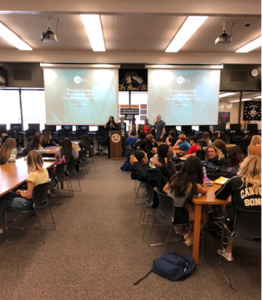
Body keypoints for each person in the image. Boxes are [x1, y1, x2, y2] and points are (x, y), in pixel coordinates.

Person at [215, 155, 262, 261]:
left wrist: (232, 195)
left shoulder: (235, 181)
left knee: (230, 209)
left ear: (244, 166)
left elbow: (218, 195)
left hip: (238, 228)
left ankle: (228, 251)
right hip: (260, 228)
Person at [163, 156, 208, 246]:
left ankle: (189, 234)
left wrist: (174, 197)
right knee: (204, 216)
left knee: (195, 208)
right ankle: (193, 239)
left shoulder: (176, 177)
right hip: (177, 215)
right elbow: (205, 190)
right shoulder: (193, 185)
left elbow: (164, 189)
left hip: (168, 210)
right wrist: (202, 177)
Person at [0, 151, 49, 234]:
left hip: (30, 203)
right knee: (8, 194)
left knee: (2, 201)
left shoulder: (32, 175)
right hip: (40, 200)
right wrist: (23, 191)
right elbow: (35, 189)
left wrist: (23, 194)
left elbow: (28, 196)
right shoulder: (45, 171)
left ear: (29, 162)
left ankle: (0, 226)